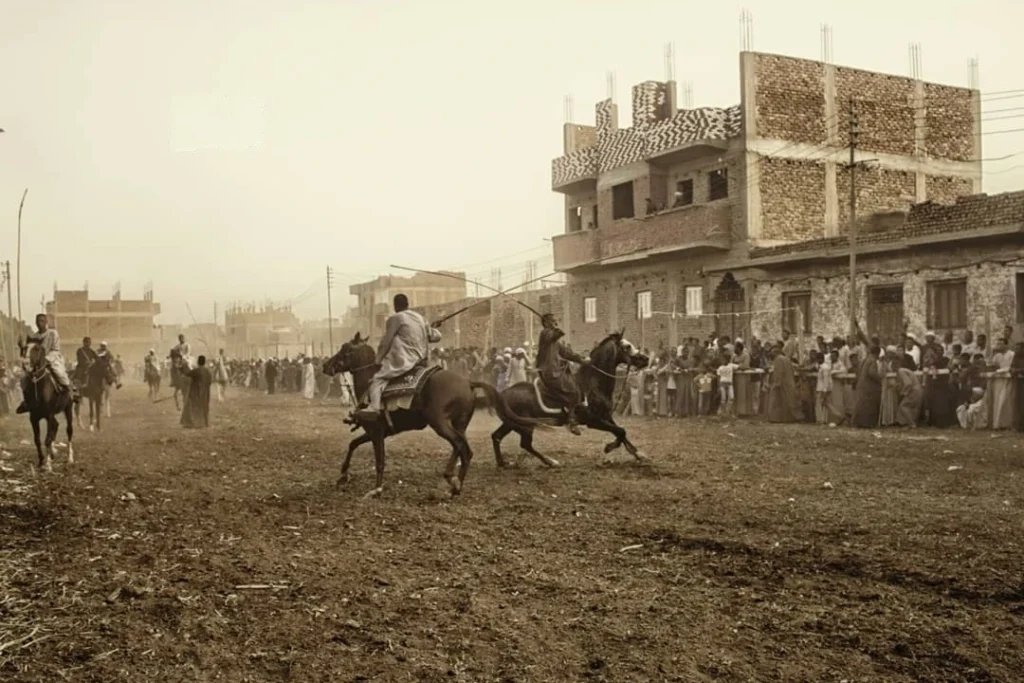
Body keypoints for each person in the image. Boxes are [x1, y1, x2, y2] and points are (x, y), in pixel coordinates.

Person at [354, 293, 441, 421]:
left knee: (377, 379)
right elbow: (436, 337)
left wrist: (378, 359)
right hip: (421, 359)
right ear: (408, 304)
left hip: (404, 359)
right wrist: (432, 329)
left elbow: (385, 342)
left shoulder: (395, 318)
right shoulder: (420, 318)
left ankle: (374, 407)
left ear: (395, 306)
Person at [535, 312, 589, 434]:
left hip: (556, 371)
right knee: (573, 390)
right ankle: (571, 420)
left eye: (556, 320)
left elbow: (567, 353)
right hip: (550, 371)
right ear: (546, 323)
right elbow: (555, 334)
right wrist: (554, 327)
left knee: (577, 385)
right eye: (553, 321)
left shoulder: (555, 341)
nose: (556, 322)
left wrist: (582, 360)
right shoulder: (545, 334)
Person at [16, 313, 76, 413]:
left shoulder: (53, 333)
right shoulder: (34, 336)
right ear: (35, 322)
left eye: (42, 321)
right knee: (24, 378)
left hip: (53, 359)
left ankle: (71, 392)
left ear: (46, 322)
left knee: (60, 373)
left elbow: (56, 349)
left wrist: (46, 359)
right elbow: (29, 352)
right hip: (38, 364)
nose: (40, 323)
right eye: (38, 321)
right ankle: (27, 401)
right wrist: (21, 347)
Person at [181, 355, 212, 428]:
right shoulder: (208, 371)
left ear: (198, 362)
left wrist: (184, 364)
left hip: (195, 393)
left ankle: (191, 423)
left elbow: (187, 373)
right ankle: (205, 423)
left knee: (191, 406)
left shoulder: (196, 370)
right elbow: (210, 382)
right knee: (204, 407)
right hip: (205, 393)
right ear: (204, 362)